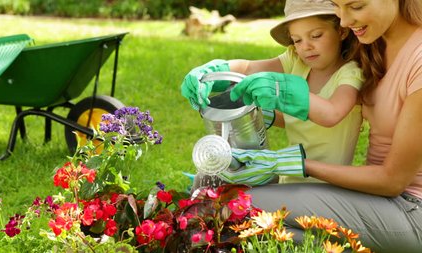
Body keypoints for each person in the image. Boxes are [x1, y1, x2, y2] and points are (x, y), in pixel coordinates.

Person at [217, 0, 422, 252]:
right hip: (376, 198)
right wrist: (214, 72)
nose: (344, 21)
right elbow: (309, 95)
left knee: (237, 204)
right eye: (337, 6)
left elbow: (393, 181)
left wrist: (294, 163)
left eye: (356, 7)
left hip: (410, 209)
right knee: (258, 231)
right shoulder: (372, 42)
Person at [181, 0, 364, 186]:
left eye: (316, 35)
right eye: (297, 40)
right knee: (207, 178)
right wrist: (213, 72)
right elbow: (248, 67)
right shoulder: (297, 60)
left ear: (342, 31)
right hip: (288, 178)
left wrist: (284, 91)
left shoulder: (350, 74)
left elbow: (331, 114)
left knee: (233, 200)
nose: (306, 46)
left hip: (325, 186)